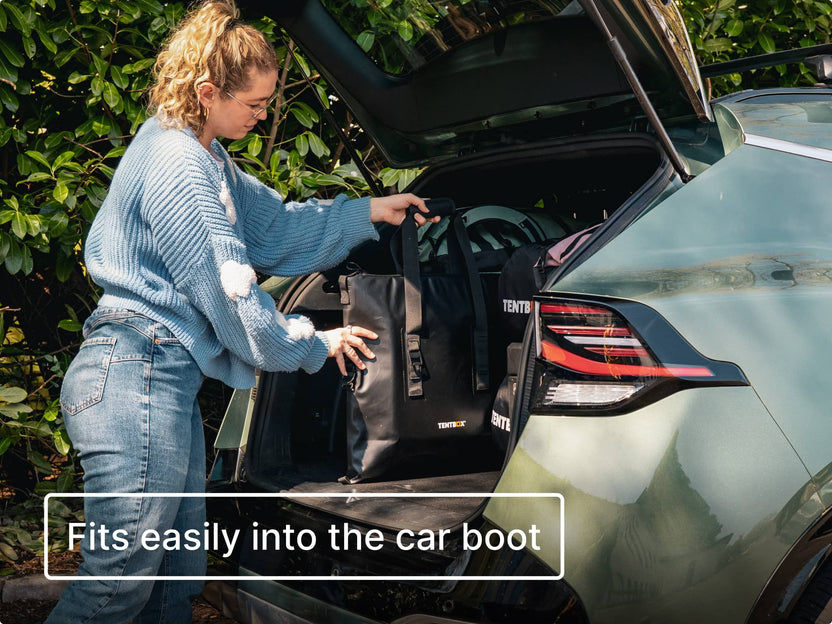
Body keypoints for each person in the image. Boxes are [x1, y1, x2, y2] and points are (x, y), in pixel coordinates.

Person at [45, 2, 435, 622]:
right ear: (207, 91)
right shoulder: (180, 169)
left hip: (155, 378)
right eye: (253, 106)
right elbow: (235, 301)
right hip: (135, 373)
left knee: (173, 583)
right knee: (118, 582)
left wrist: (366, 212)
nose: (262, 115)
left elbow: (273, 227)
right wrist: (312, 343)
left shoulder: (203, 157)